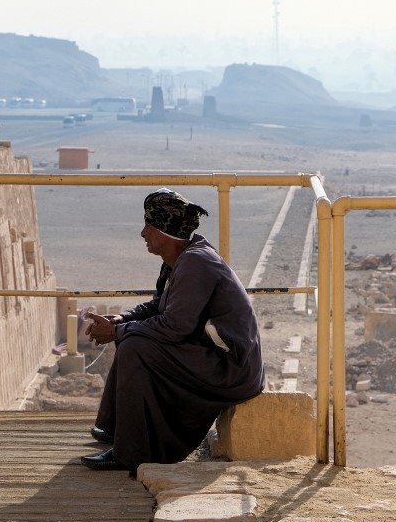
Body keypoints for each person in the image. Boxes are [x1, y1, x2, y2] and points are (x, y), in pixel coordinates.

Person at [80, 188, 265, 472]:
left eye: (148, 226)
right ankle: (118, 429)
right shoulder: (181, 260)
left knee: (134, 344)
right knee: (132, 336)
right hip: (212, 357)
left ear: (164, 232)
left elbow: (175, 327)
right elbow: (158, 307)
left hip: (230, 369)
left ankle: (130, 452)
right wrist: (120, 319)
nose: (143, 233)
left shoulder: (195, 263)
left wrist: (118, 333)